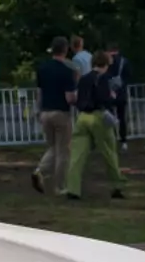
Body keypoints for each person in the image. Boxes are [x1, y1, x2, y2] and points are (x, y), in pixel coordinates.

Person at [65, 51, 128, 200]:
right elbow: (105, 98)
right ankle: (117, 185)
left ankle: (73, 188)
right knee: (109, 153)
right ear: (106, 64)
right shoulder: (106, 79)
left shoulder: (84, 78)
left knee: (77, 156)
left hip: (82, 118)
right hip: (99, 117)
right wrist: (112, 98)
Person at [33, 36, 77, 195]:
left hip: (45, 112)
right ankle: (60, 185)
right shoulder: (66, 71)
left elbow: (39, 92)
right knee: (63, 150)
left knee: (52, 147)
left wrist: (38, 111)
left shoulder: (42, 68)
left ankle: (40, 171)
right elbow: (69, 97)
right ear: (65, 50)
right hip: (61, 113)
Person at [102, 41, 130, 149]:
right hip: (121, 92)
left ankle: (112, 138)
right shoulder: (124, 61)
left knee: (110, 117)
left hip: (109, 93)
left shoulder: (106, 62)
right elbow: (129, 75)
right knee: (122, 117)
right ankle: (124, 141)